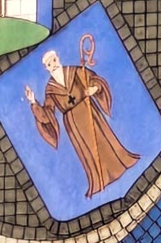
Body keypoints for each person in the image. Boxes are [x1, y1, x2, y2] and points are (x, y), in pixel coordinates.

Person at [23, 47, 136, 200]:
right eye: (49, 64)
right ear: (46, 68)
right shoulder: (50, 90)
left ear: (58, 59)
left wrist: (93, 88)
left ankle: (119, 164)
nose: (53, 65)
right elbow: (47, 114)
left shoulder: (74, 71)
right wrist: (33, 102)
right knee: (87, 150)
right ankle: (100, 180)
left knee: (103, 139)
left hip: (88, 110)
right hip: (74, 124)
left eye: (54, 61)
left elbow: (94, 79)